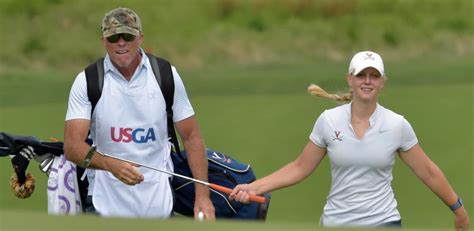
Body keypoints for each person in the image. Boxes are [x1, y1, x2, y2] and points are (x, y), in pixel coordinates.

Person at [229, 51, 470, 229]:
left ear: (382, 81)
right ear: (350, 79)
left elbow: (427, 171)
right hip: (337, 222)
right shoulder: (329, 121)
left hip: (383, 221)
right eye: (361, 75)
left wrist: (458, 208)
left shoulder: (397, 125)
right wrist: (254, 187)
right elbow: (300, 167)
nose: (367, 81)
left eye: (374, 76)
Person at [63, 7, 215, 219]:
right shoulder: (88, 81)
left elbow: (192, 137)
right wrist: (110, 165)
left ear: (140, 38)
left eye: (128, 35)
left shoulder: (165, 75)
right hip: (104, 207)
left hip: (159, 207)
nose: (121, 42)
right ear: (103, 41)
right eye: (114, 37)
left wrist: (203, 196)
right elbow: (72, 147)